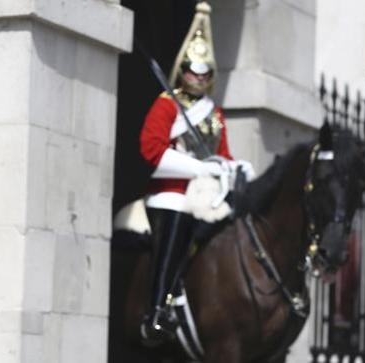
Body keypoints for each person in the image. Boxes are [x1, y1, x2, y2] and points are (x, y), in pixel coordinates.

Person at [138, 2, 254, 345]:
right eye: (193, 72)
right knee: (177, 214)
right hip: (172, 192)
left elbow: (223, 155)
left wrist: (235, 166)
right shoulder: (166, 104)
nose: (198, 79)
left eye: (205, 74)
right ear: (183, 70)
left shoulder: (214, 113)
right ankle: (157, 309)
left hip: (205, 194)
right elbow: (151, 150)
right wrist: (200, 168)